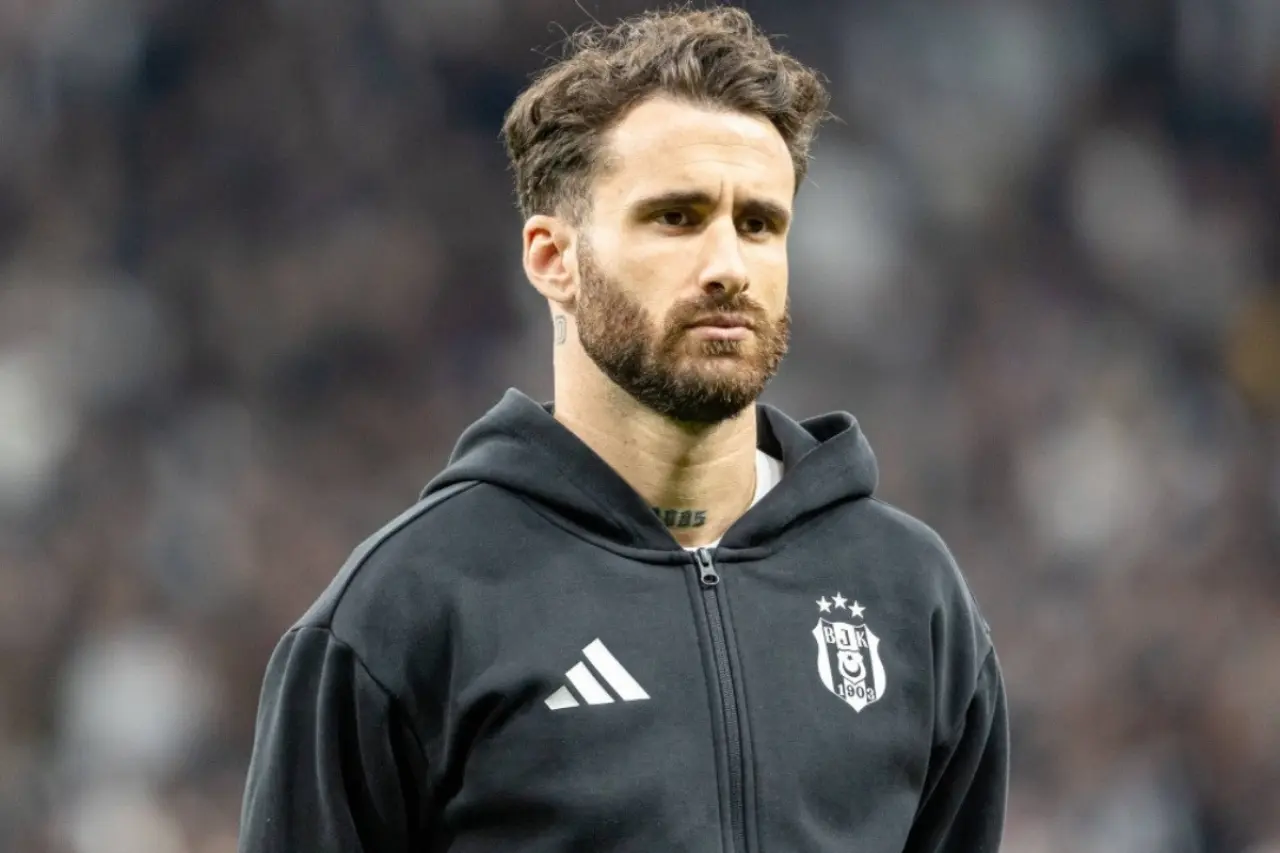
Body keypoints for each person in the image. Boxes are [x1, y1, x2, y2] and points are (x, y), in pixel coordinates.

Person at [238, 7, 1008, 852]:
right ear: (552, 258)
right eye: (676, 217)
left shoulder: (910, 594)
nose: (728, 266)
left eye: (759, 223)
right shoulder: (405, 610)